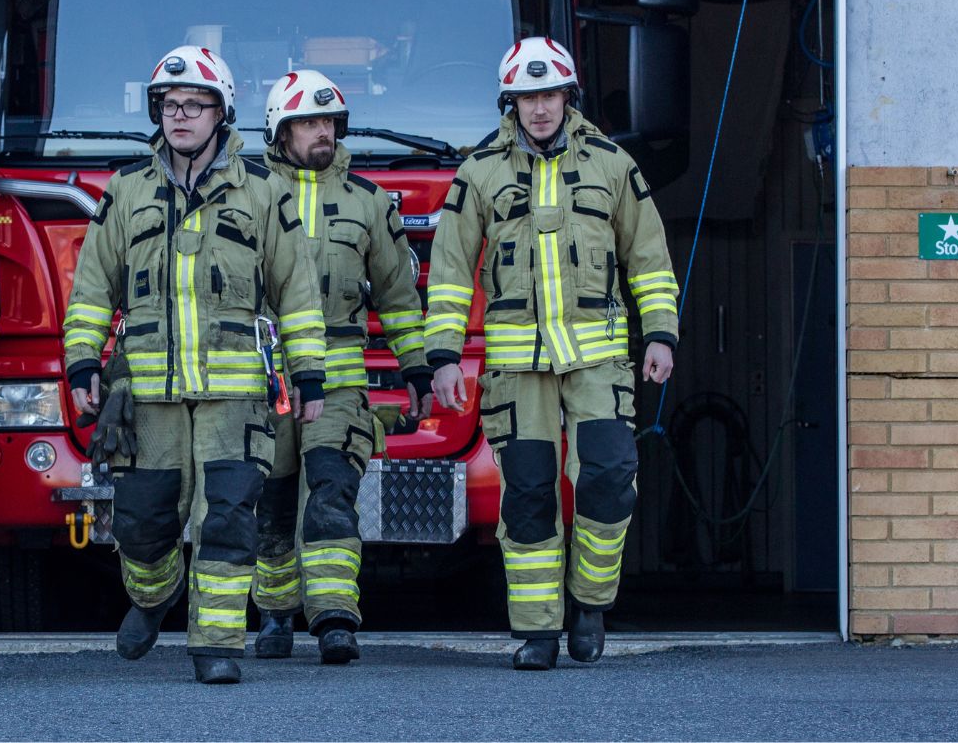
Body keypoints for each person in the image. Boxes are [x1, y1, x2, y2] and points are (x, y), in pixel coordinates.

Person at [63, 46, 327, 684]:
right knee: (142, 525)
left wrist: (309, 373)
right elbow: (93, 286)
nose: (179, 116)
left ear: (222, 112)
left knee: (229, 519)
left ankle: (216, 645)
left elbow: (296, 288)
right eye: (169, 105)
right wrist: (80, 363)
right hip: (147, 398)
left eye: (194, 105)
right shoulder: (125, 193)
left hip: (236, 398)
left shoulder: (265, 191)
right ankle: (152, 598)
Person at [424, 37, 678, 670]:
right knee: (529, 497)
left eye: (549, 95)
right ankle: (537, 629)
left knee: (611, 481)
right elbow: (451, 272)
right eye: (526, 97)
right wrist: (444, 355)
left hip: (598, 361)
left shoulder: (613, 165)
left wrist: (661, 334)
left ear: (570, 98)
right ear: (510, 103)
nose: (539, 108)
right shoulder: (478, 171)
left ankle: (590, 602)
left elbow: (648, 255)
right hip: (517, 371)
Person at [248, 70, 432, 665]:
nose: (321, 133)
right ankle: (275, 616)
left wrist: (418, 371)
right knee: (270, 503)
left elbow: (400, 300)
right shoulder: (245, 193)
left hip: (340, 383)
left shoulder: (370, 203)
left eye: (328, 122)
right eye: (307, 123)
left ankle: (333, 619)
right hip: (263, 381)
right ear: (281, 131)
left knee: (332, 493)